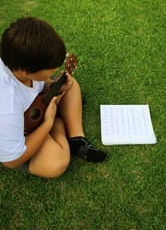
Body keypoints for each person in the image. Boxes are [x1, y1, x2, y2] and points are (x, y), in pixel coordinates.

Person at [0, 16, 107, 178]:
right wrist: (49, 122)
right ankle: (59, 122)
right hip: (17, 135)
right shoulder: (7, 105)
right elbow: (11, 161)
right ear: (25, 71)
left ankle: (76, 139)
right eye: (50, 70)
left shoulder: (17, 62)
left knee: (71, 86)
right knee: (55, 163)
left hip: (28, 113)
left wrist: (51, 84)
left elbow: (37, 83)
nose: (55, 71)